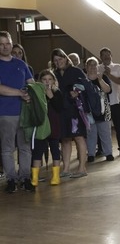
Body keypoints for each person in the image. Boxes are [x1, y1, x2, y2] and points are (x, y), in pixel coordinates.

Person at [0, 31, 34, 193]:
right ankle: (11, 179)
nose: (5, 46)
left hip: (24, 113)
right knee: (7, 148)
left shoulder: (21, 64)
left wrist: (29, 94)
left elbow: (31, 83)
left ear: (12, 43)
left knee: (25, 147)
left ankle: (25, 177)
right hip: (5, 113)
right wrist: (20, 93)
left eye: (7, 43)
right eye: (1, 44)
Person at [51, 48, 89, 179]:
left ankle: (82, 168)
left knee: (79, 137)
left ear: (66, 58)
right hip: (60, 110)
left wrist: (77, 92)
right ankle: (66, 168)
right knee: (65, 139)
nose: (58, 62)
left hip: (75, 109)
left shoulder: (76, 71)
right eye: (55, 60)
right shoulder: (54, 74)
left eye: (60, 59)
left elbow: (85, 86)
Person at [30, 69, 64, 187]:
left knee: (55, 149)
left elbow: (59, 108)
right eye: (44, 79)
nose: (47, 82)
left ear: (54, 81)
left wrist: (51, 96)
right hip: (41, 125)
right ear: (40, 81)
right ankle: (34, 176)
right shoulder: (36, 92)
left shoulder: (57, 92)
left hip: (54, 124)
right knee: (38, 151)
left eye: (50, 79)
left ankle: (56, 176)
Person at [97, 47, 120, 157]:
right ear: (100, 57)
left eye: (108, 54)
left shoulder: (117, 67)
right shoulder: (97, 68)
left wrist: (109, 75)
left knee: (119, 126)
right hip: (102, 103)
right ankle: (100, 149)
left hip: (115, 101)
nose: (106, 56)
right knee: (101, 127)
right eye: (103, 55)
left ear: (111, 55)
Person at [85, 57, 114, 163]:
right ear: (86, 66)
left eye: (95, 64)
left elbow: (108, 90)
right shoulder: (83, 79)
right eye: (90, 65)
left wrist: (100, 79)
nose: (92, 67)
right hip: (89, 112)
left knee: (105, 134)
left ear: (98, 66)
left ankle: (108, 153)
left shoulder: (103, 77)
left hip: (103, 111)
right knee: (90, 135)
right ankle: (91, 154)